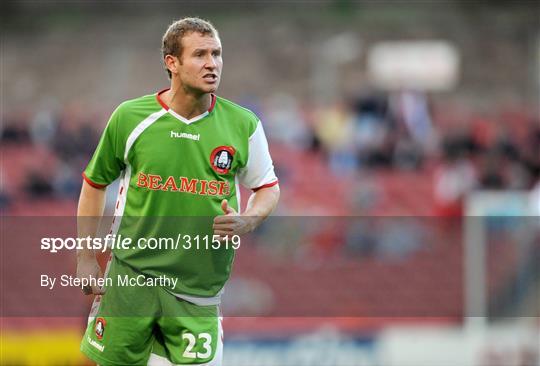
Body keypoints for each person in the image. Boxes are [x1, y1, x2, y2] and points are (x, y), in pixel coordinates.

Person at [77, 17, 279, 366]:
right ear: (172, 62)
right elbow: (94, 185)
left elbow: (267, 189)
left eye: (216, 54)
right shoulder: (130, 117)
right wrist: (85, 259)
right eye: (200, 54)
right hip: (131, 279)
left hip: (197, 292)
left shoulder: (243, 124)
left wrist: (249, 219)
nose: (212, 63)